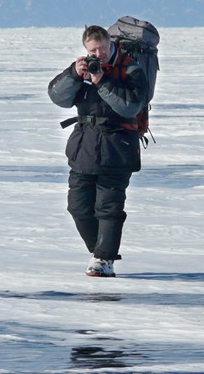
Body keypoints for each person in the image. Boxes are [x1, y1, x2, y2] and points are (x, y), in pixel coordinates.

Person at [48, 25, 148, 277]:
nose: (99, 54)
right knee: (78, 207)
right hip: (84, 148)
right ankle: (99, 251)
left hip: (118, 148)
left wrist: (102, 80)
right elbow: (57, 97)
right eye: (93, 50)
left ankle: (104, 260)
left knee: (108, 207)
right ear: (86, 49)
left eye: (102, 47)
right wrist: (73, 73)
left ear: (110, 43)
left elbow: (130, 106)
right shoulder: (84, 68)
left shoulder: (131, 68)